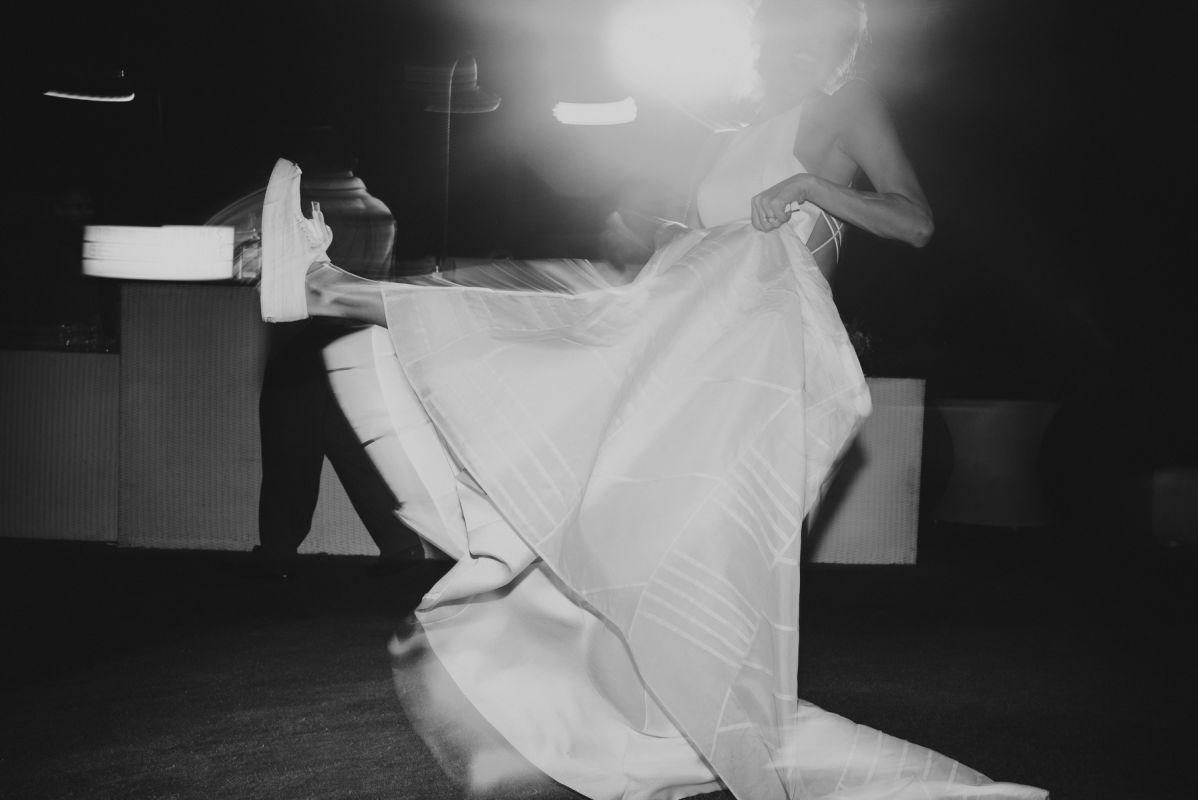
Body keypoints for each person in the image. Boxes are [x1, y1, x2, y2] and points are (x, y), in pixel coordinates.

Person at [257, 1, 1048, 797]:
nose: (801, 49)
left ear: (843, 49)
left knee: (708, 567)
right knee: (623, 501)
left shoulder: (846, 108)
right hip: (699, 343)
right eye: (787, 32)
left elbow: (914, 222)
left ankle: (331, 289)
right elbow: (705, 240)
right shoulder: (739, 128)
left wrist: (811, 186)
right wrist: (650, 231)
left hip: (768, 366)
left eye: (821, 37)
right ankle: (329, 288)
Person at [214, 130, 425, 579]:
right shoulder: (379, 212)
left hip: (302, 345)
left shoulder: (311, 211)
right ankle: (402, 546)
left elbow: (282, 273)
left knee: (289, 458)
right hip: (356, 346)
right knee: (360, 456)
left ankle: (278, 554)